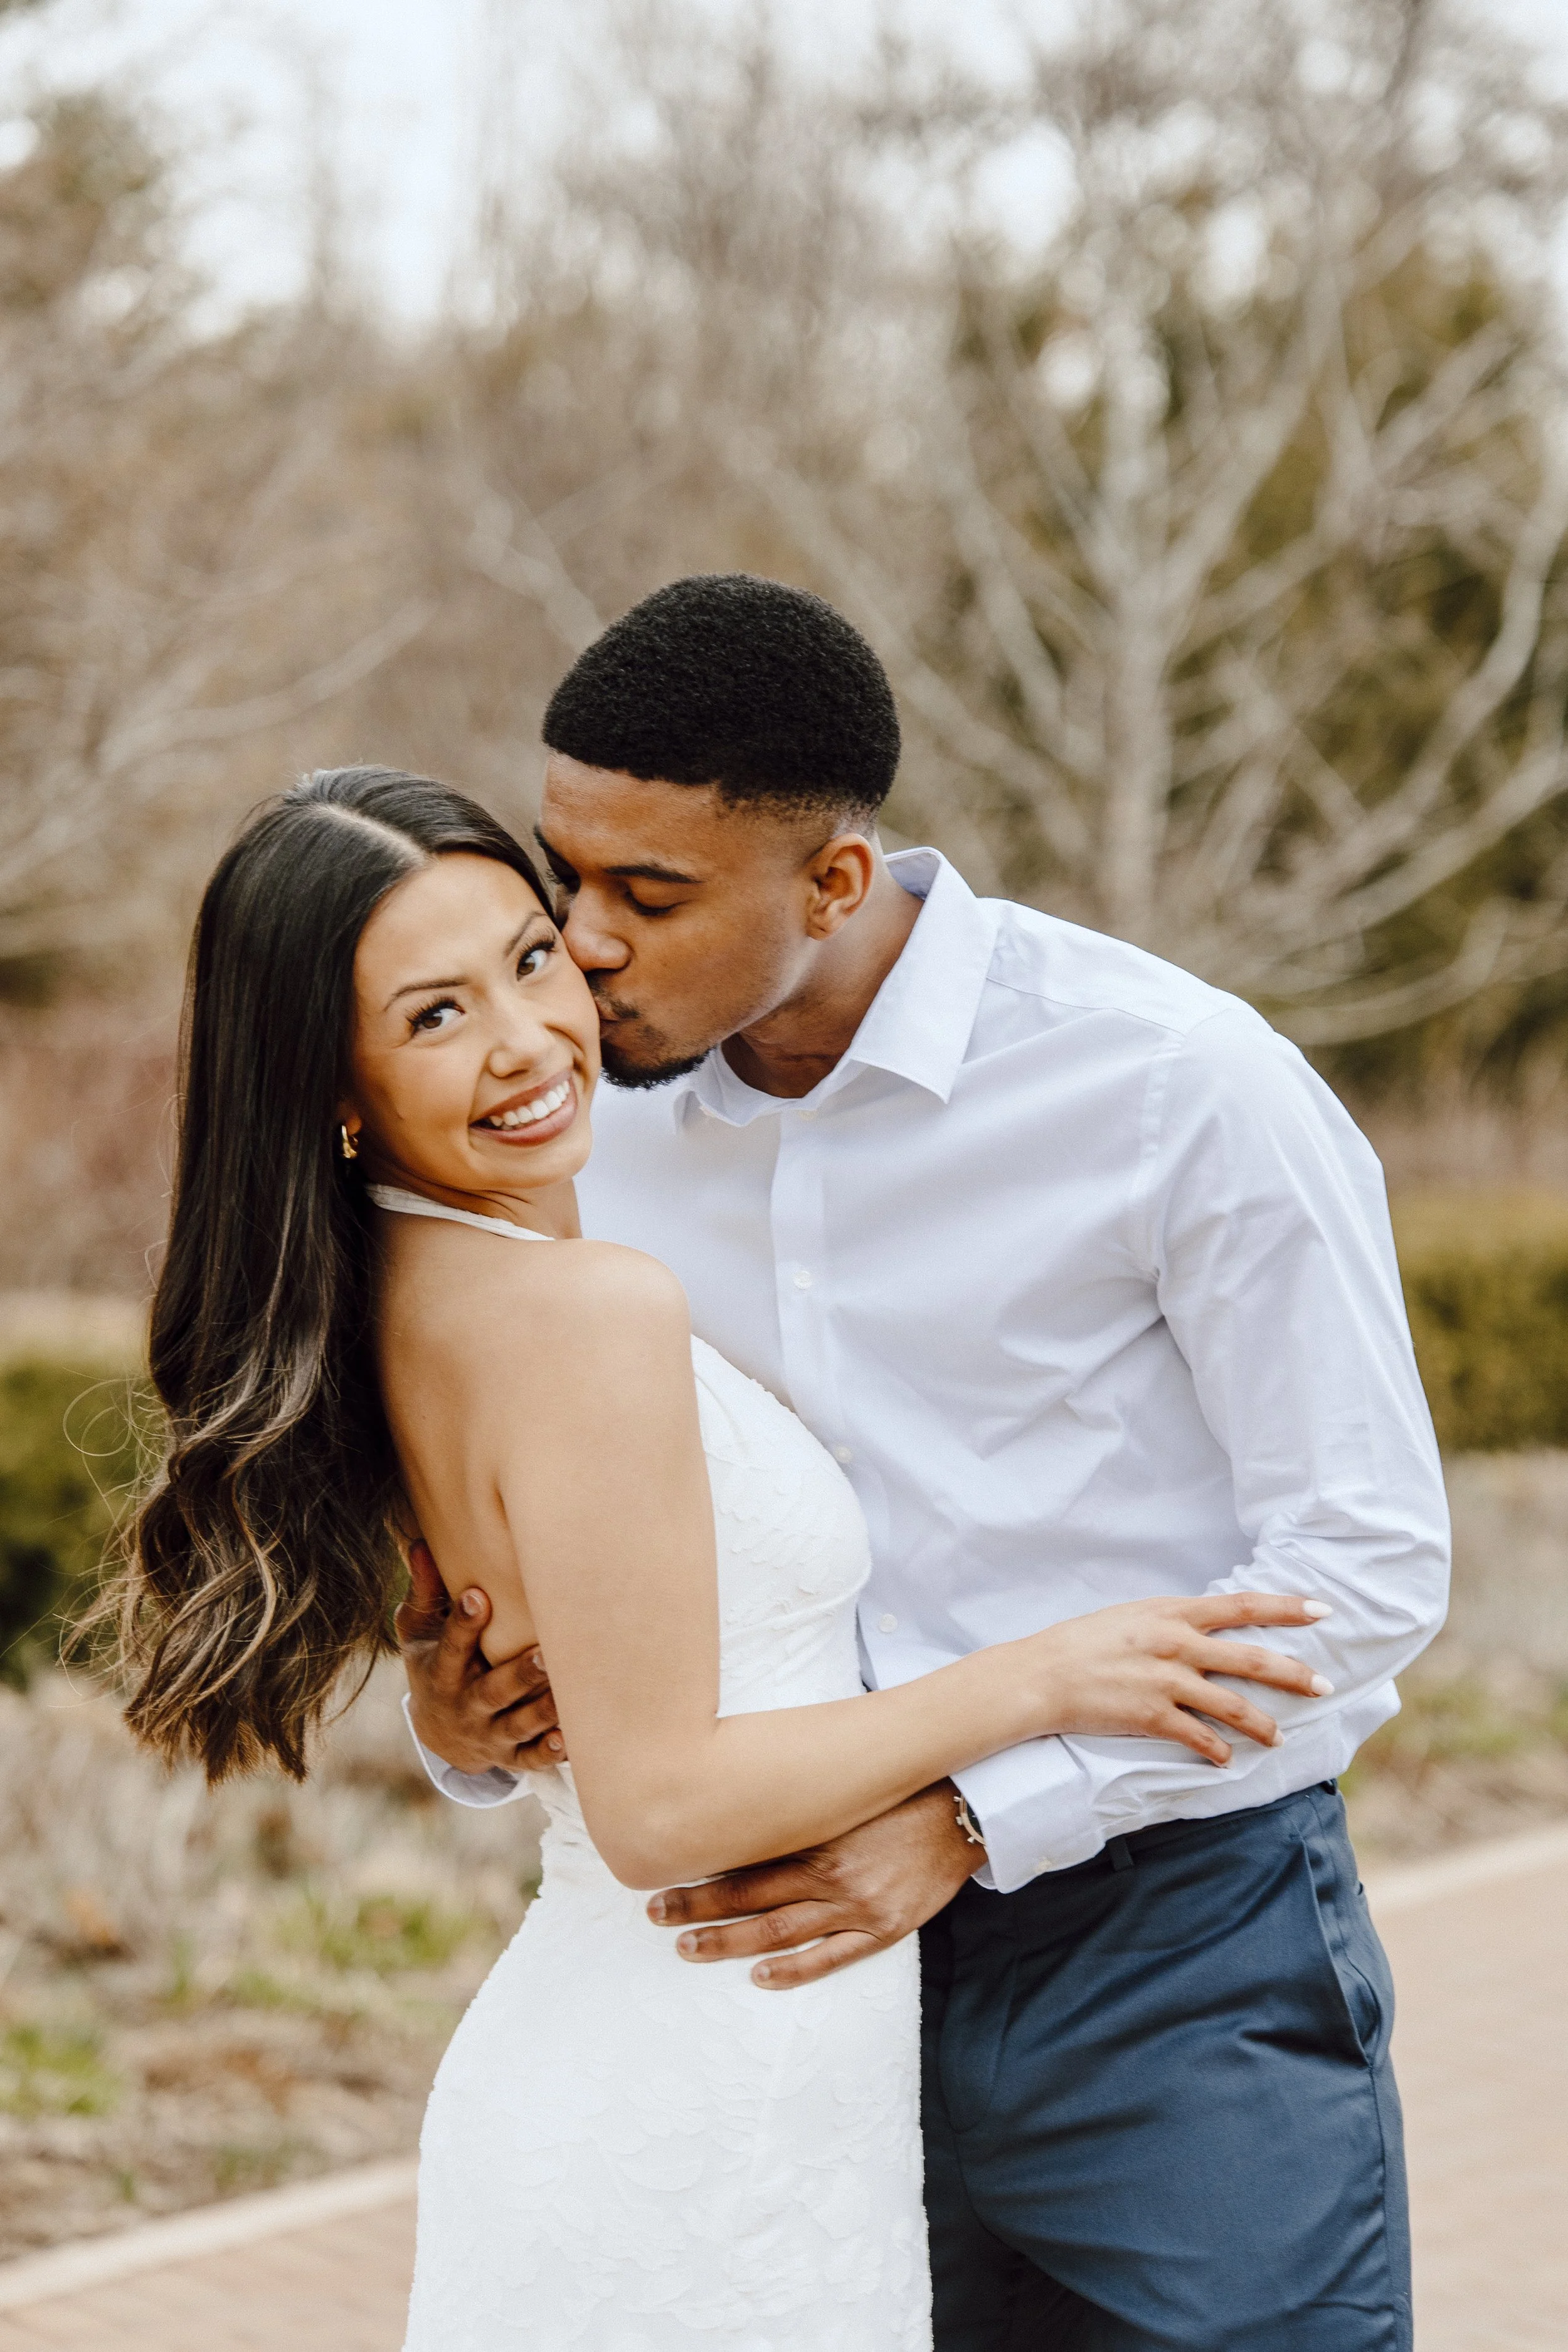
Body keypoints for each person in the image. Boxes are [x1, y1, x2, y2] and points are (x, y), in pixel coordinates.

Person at [110, 762, 1329, 2352]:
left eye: (530, 959)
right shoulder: (582, 1305)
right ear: (329, 1086)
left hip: (697, 2062)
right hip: (700, 2082)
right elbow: (659, 1807)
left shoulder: (401, 1286)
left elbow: (556, 1663)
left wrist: (449, 1715)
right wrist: (1037, 1677)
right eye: (431, 1017)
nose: (527, 1040)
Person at [402, 573, 1450, 2351]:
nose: (580, 943)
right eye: (564, 874)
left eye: (647, 896)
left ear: (835, 878)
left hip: (1167, 1951)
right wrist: (465, 1724)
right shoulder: (586, 1138)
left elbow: (1360, 1569)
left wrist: (976, 1813)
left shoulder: (1181, 1085)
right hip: (776, 1986)